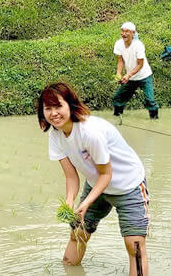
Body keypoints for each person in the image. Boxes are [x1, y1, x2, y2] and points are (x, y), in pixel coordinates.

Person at [38, 82, 149, 275]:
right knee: (77, 233)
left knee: (135, 247)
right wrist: (69, 201)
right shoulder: (55, 135)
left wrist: (87, 202)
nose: (54, 113)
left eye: (58, 106)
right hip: (96, 185)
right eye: (48, 108)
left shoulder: (90, 132)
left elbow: (107, 174)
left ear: (70, 106)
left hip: (128, 185)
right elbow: (71, 177)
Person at [113, 22, 159, 120]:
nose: (124, 34)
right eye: (122, 31)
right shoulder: (118, 44)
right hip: (131, 77)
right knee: (118, 98)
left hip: (144, 76)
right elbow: (120, 60)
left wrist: (128, 75)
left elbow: (140, 64)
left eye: (127, 31)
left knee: (150, 100)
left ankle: (154, 119)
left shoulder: (138, 45)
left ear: (133, 33)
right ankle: (117, 117)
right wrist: (119, 73)